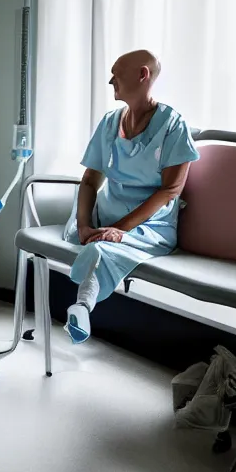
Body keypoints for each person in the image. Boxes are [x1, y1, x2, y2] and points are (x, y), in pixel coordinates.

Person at [63, 49, 200, 344]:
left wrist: (120, 230)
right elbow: (89, 181)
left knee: (102, 250)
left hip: (149, 225)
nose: (111, 80)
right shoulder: (111, 122)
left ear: (143, 75)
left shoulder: (173, 125)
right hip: (105, 215)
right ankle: (83, 303)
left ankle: (83, 306)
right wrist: (85, 225)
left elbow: (170, 190)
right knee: (93, 242)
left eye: (117, 72)